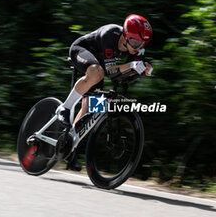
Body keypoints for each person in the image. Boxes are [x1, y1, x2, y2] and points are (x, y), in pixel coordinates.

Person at [58, 14, 153, 171]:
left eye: (142, 43)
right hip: (81, 50)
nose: (137, 47)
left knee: (92, 107)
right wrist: (132, 65)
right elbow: (111, 71)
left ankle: (69, 144)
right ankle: (65, 107)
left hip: (100, 65)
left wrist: (142, 71)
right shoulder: (110, 34)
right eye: (135, 42)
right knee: (96, 72)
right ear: (126, 35)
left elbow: (122, 77)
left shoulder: (137, 49)